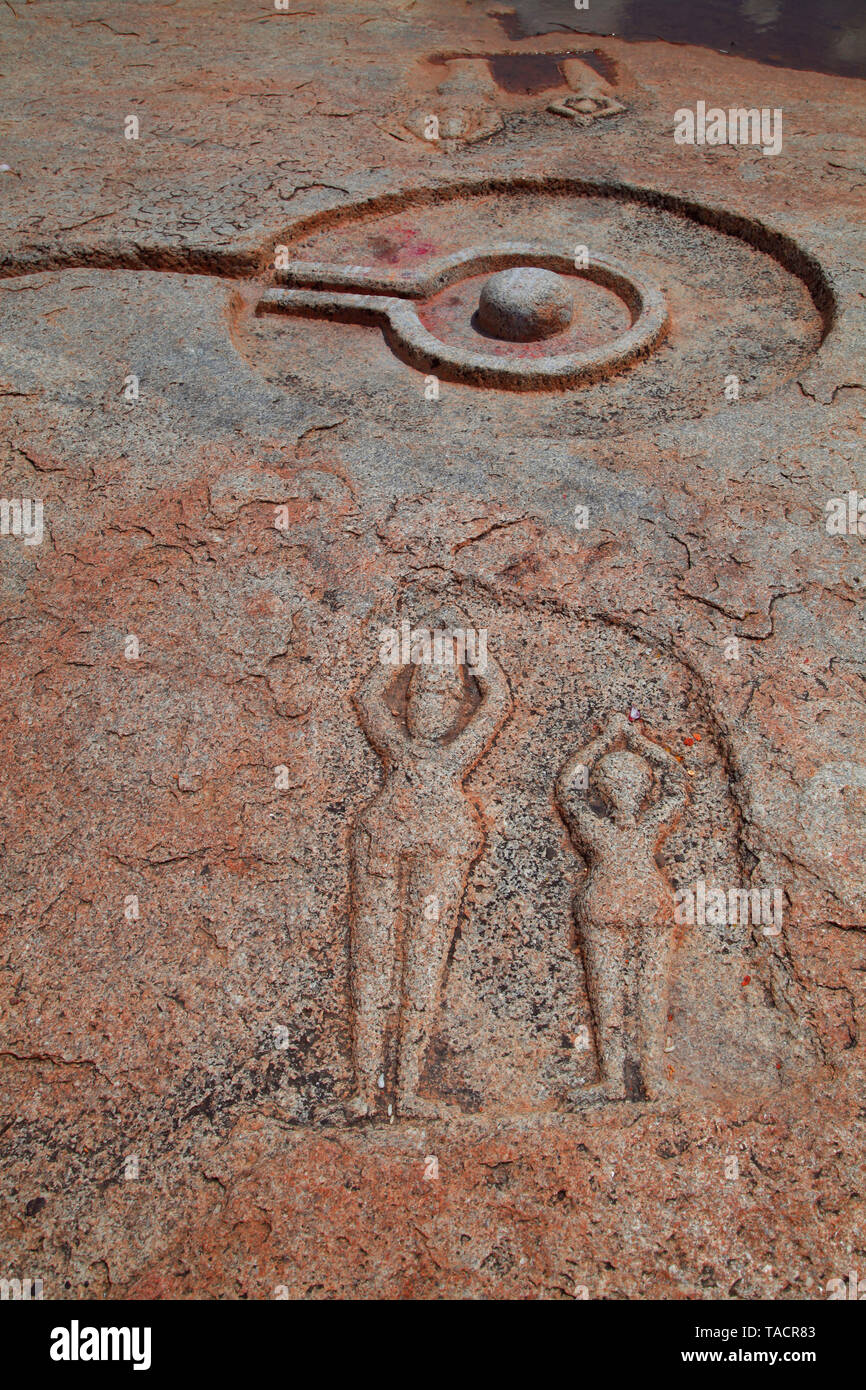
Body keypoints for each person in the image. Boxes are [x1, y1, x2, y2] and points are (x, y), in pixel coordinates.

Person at [347, 624, 511, 1119]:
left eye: (444, 695)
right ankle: (362, 1088)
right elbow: (368, 694)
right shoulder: (395, 747)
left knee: (425, 957)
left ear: (459, 705)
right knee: (372, 960)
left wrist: (468, 642)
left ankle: (408, 1089)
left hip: (443, 844)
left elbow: (498, 699)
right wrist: (409, 643)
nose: (430, 705)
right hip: (384, 841)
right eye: (421, 692)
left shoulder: (459, 753)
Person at [555, 712, 688, 1100]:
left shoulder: (595, 826)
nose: (625, 788)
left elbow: (568, 788)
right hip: (641, 903)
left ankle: (627, 1078)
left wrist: (610, 739)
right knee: (643, 991)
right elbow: (677, 788)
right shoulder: (649, 827)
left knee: (614, 993)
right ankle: (643, 1078)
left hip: (614, 903)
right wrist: (635, 740)